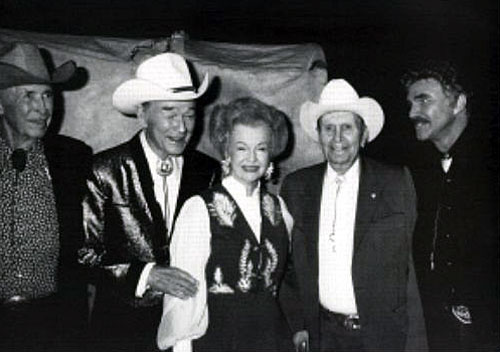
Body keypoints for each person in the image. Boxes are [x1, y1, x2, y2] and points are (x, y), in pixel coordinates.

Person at [78, 52, 220, 352]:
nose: (182, 127)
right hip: (120, 330)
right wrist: (146, 274)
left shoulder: (208, 170)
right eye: (170, 112)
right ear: (142, 114)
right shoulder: (104, 170)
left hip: (188, 326)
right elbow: (84, 254)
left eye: (190, 114)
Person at [280, 79, 427, 352]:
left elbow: (412, 268)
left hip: (382, 337)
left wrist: (416, 343)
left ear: (363, 134)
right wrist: (299, 323)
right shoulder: (297, 187)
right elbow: (287, 265)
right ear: (319, 134)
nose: (337, 139)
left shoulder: (395, 182)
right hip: (321, 336)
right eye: (329, 129)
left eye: (347, 127)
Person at [157, 97, 308, 352]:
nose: (251, 158)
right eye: (241, 148)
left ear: (271, 152)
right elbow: (183, 295)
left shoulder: (279, 209)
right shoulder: (199, 209)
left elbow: (286, 281)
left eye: (260, 148)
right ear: (226, 149)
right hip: (218, 340)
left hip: (273, 340)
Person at [0, 42, 92, 351]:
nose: (43, 108)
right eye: (29, 96)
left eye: (47, 95)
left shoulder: (74, 158)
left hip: (54, 322)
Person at [402, 60, 499, 351]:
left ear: (458, 103)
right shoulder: (419, 171)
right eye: (409, 103)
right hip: (437, 326)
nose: (411, 113)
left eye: (423, 100)